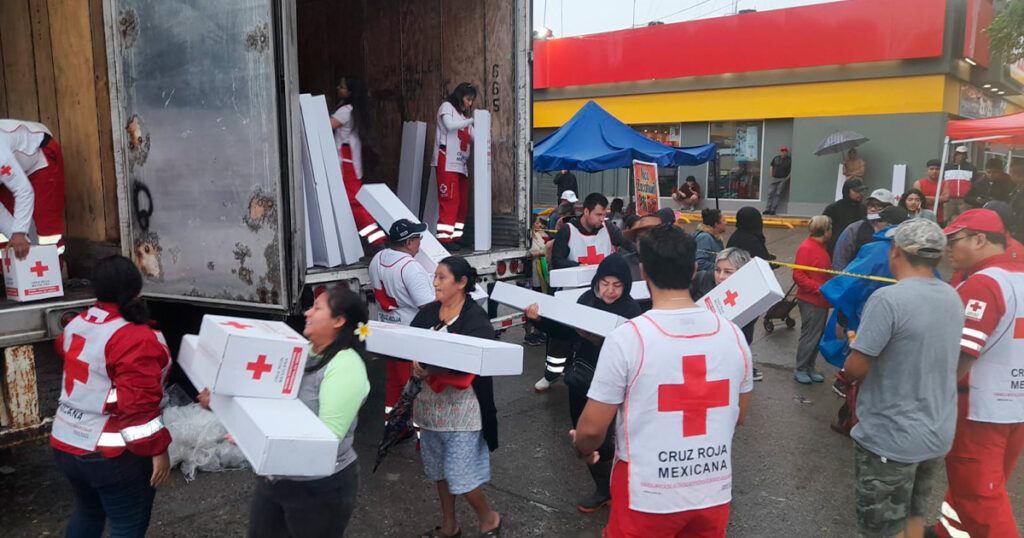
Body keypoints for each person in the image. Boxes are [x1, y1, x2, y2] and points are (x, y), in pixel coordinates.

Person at [572, 224, 753, 537]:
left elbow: (590, 429)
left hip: (646, 495)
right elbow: (739, 415)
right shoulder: (733, 335)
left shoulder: (628, 338)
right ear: (695, 270)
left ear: (643, 272)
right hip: (711, 493)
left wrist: (584, 448)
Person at [842, 219, 962, 538]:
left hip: (891, 436)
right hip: (936, 432)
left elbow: (855, 369)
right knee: (914, 514)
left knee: (881, 528)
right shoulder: (952, 297)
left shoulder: (888, 300)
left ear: (896, 251)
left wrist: (855, 346)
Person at [50, 256, 172, 537]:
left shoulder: (78, 323)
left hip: (66, 443)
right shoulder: (134, 337)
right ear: (137, 289)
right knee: (127, 526)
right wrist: (158, 449)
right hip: (110, 454)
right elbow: (139, 407)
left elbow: (65, 349)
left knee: (88, 514)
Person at [247, 287, 370, 537]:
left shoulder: (345, 366)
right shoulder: (301, 352)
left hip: (319, 487)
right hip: (276, 476)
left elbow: (326, 440)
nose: (307, 312)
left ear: (338, 321)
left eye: (317, 308)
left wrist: (259, 441)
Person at [524, 254, 642, 513]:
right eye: (605, 283)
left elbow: (634, 353)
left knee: (607, 439)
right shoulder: (586, 300)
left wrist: (598, 340)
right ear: (596, 282)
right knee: (582, 436)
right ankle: (603, 488)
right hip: (580, 378)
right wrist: (537, 320)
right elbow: (565, 333)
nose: (610, 290)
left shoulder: (632, 311)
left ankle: (619, 487)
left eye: (617, 285)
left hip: (612, 384)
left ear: (626, 286)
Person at [932, 209, 1024, 538]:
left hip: (979, 409)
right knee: (985, 485)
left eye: (953, 240)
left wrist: (931, 397)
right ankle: (948, 531)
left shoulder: (983, 283)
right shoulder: (1018, 274)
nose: (947, 249)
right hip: (1015, 405)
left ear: (980, 239)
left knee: (980, 498)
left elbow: (960, 355)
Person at [411, 256, 501, 538]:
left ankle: (489, 519)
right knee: (438, 471)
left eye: (441, 277)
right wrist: (414, 361)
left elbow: (476, 360)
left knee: (460, 475)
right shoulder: (428, 313)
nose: (435, 283)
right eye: (434, 276)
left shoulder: (475, 319)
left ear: (462, 283)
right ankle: (450, 526)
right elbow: (409, 340)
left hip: (464, 410)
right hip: (430, 409)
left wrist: (434, 366)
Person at [540, 193, 635, 392]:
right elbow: (557, 260)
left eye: (604, 215)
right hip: (572, 293)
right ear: (586, 211)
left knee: (595, 338)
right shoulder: (568, 231)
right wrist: (579, 265)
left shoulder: (608, 228)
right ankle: (551, 374)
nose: (602, 219)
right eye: (599, 215)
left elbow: (626, 244)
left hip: (602, 294)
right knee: (562, 338)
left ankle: (593, 375)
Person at [368, 219, 436, 423]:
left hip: (389, 331)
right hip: (411, 336)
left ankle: (394, 425)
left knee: (393, 385)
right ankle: (420, 435)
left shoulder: (377, 259)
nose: (420, 243)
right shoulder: (410, 267)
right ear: (408, 243)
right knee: (414, 387)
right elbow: (427, 306)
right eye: (418, 239)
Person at [690, 247, 765, 383]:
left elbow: (745, 338)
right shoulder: (702, 279)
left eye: (728, 272)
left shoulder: (750, 298)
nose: (720, 277)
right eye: (717, 270)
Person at [0, 119, 65, 261]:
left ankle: (52, 272)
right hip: (13, 164)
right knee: (7, 234)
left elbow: (23, 190)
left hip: (38, 155)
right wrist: (14, 235)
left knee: (46, 224)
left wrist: (19, 232)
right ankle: (13, 274)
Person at [331, 76, 385, 247]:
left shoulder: (345, 110)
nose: (338, 88)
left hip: (346, 162)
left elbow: (324, 126)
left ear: (350, 92)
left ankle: (377, 240)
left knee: (354, 202)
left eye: (342, 87)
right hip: (351, 161)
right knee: (353, 202)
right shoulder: (356, 110)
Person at [432, 82, 477, 246]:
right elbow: (449, 126)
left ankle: (456, 237)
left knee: (462, 204)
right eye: (468, 99)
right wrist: (472, 121)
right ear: (460, 96)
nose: (469, 103)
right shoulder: (446, 108)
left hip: (461, 164)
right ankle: (444, 238)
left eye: (471, 100)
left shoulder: (465, 118)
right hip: (446, 161)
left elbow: (475, 137)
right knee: (449, 200)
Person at [792, 215, 833, 384]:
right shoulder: (807, 247)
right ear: (825, 231)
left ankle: (809, 366)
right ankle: (801, 367)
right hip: (811, 299)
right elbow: (798, 274)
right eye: (830, 228)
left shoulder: (819, 246)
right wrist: (818, 289)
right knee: (810, 335)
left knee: (816, 335)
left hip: (819, 299)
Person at [831, 189, 899, 271]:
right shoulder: (855, 229)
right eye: (870, 205)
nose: (873, 209)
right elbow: (839, 258)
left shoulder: (898, 230)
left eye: (879, 206)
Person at [823, 178, 868, 254]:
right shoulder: (833, 209)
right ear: (847, 191)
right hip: (835, 250)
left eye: (862, 191)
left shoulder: (864, 209)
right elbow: (822, 230)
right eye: (856, 191)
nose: (860, 194)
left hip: (858, 250)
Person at [942, 145, 975, 223]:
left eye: (964, 154)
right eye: (959, 154)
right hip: (949, 200)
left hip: (965, 200)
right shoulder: (947, 167)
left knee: (965, 221)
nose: (961, 156)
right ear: (955, 155)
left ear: (966, 156)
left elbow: (975, 184)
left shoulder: (971, 168)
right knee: (947, 220)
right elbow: (942, 182)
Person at [913, 158, 949, 223]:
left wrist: (925, 197)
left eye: (937, 169)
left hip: (939, 219)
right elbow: (917, 199)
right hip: (922, 218)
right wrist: (938, 200)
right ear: (927, 170)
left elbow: (946, 198)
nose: (934, 171)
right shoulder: (918, 183)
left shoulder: (944, 183)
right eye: (932, 169)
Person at [765, 145, 792, 215]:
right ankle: (767, 209)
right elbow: (771, 166)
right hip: (774, 178)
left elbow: (792, 169)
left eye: (785, 151)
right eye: (782, 151)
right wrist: (771, 175)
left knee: (778, 194)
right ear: (780, 152)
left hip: (783, 179)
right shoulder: (776, 158)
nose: (783, 152)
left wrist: (788, 177)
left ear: (787, 152)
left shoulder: (790, 160)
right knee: (770, 193)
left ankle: (773, 210)